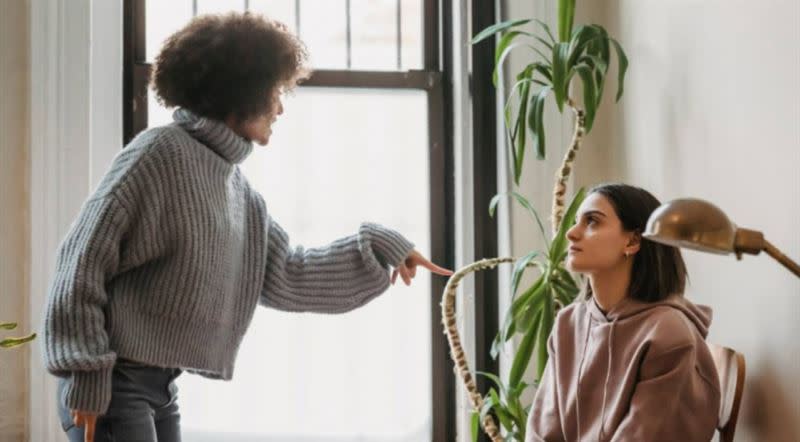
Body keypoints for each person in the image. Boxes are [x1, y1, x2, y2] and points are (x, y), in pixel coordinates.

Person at [42, 12, 451, 442]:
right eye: (275, 92)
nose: (280, 107)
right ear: (241, 91)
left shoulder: (237, 190)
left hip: (160, 388)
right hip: (111, 385)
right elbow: (79, 264)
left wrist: (380, 245)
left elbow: (288, 274)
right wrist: (86, 373)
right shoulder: (157, 154)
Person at [525, 183, 721, 442]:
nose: (571, 233)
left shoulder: (668, 334)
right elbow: (541, 432)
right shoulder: (568, 324)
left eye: (592, 221)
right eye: (576, 222)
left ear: (633, 240)